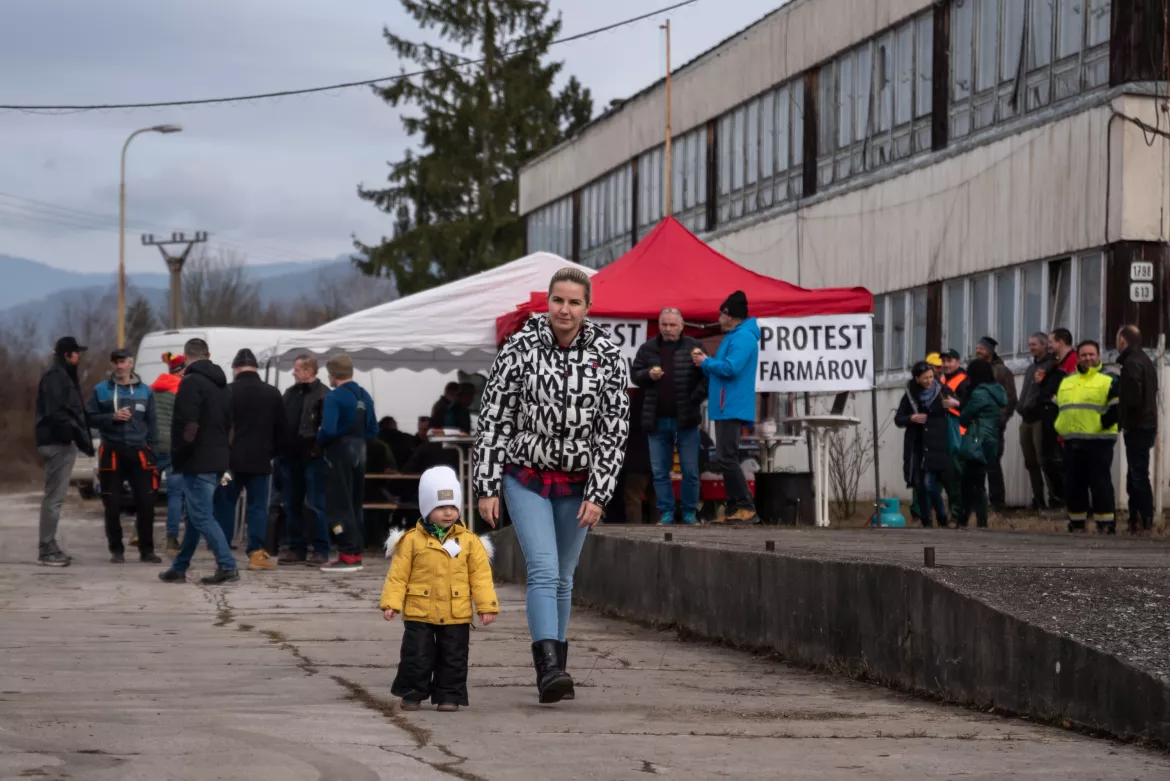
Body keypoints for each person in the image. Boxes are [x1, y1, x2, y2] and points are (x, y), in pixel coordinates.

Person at [474, 267, 629, 705]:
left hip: (580, 483)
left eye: (574, 302)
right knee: (542, 569)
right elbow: (493, 420)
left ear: (588, 306)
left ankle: (556, 669)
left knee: (564, 576)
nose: (565, 309)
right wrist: (487, 485)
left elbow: (613, 431)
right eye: (558, 300)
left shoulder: (607, 353)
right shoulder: (518, 348)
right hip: (525, 475)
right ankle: (548, 670)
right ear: (548, 302)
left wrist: (599, 494)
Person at [381, 466, 499, 712]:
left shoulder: (469, 542)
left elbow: (480, 577)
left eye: (453, 507)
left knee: (453, 656)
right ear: (426, 509)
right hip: (418, 609)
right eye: (441, 507)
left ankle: (449, 694)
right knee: (417, 654)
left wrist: (486, 605)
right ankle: (413, 692)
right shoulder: (411, 540)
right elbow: (398, 575)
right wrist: (392, 602)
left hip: (456, 611)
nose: (448, 513)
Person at [159, 339, 239, 584]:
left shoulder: (190, 383)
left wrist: (179, 455)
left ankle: (227, 565)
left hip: (197, 460)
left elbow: (188, 425)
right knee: (195, 516)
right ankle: (180, 566)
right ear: (209, 355)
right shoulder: (224, 387)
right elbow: (231, 426)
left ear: (185, 357)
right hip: (218, 460)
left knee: (202, 516)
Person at [631, 307, 708, 524]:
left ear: (682, 326)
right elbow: (635, 375)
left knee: (690, 470)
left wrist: (694, 398)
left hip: (686, 419)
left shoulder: (695, 347)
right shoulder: (648, 349)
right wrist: (648, 374)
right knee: (660, 471)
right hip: (656, 420)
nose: (668, 329)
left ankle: (689, 512)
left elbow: (708, 376)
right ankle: (666, 512)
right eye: (664, 324)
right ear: (659, 325)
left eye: (673, 325)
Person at [214, 349, 288, 571]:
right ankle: (256, 553)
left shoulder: (225, 391)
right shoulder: (273, 393)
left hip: (229, 465)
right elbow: (283, 432)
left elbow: (217, 428)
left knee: (225, 504)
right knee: (258, 507)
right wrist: (269, 452)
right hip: (260, 462)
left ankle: (223, 552)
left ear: (236, 369)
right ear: (256, 368)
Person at [87, 348, 159, 564]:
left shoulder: (145, 391)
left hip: (139, 453)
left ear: (131, 363)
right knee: (112, 503)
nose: (120, 366)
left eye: (123, 362)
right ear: (112, 365)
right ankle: (116, 550)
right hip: (112, 452)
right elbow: (89, 418)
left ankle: (147, 550)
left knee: (146, 503)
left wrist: (153, 451)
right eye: (116, 363)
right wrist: (111, 416)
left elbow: (152, 424)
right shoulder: (101, 390)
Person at [694, 291, 760, 524]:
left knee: (727, 457)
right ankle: (734, 508)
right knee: (725, 457)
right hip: (727, 404)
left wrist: (706, 362)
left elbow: (731, 368)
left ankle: (745, 505)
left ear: (729, 315)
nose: (718, 318)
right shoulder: (736, 336)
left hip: (730, 404)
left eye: (721, 313)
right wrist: (707, 362)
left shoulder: (742, 337)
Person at [34, 336, 94, 566]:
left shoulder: (61, 375)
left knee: (55, 497)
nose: (79, 356)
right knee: (54, 498)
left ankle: (49, 545)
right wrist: (73, 434)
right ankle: (47, 548)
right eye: (76, 353)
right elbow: (56, 412)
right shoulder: (56, 377)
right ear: (68, 354)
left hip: (60, 442)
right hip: (57, 443)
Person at [317, 354, 378, 573]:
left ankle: (347, 554)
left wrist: (318, 440)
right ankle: (356, 551)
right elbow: (373, 430)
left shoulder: (334, 397)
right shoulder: (364, 395)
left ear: (333, 375)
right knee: (354, 503)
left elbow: (329, 430)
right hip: (360, 452)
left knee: (338, 504)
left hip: (339, 454)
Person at [1054, 340, 1119, 534]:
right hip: (1072, 440)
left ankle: (1106, 524)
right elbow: (1059, 408)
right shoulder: (1067, 381)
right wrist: (1058, 427)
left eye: (1091, 354)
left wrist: (1102, 424)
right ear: (1078, 357)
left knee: (1100, 483)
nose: (1088, 358)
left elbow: (1117, 407)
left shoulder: (1109, 379)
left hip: (1099, 440)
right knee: (1074, 483)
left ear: (1099, 356)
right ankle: (1077, 523)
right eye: (1084, 355)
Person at [277, 354, 331, 566]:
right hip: (290, 457)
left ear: (309, 371)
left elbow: (328, 427)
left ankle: (321, 549)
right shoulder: (289, 394)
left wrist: (316, 448)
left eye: (297, 369)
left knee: (316, 504)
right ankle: (296, 548)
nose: (293, 372)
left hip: (313, 458)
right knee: (291, 504)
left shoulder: (323, 394)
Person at [895, 362, 958, 528]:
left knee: (930, 483)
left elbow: (961, 406)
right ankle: (926, 520)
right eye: (925, 378)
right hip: (918, 446)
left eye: (931, 377)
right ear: (917, 379)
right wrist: (911, 418)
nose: (929, 381)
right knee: (921, 485)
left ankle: (942, 517)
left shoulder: (942, 391)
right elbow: (898, 419)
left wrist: (954, 404)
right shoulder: (910, 396)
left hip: (937, 444)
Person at [956, 359, 1007, 529]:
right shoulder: (997, 391)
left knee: (968, 483)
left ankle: (965, 520)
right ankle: (981, 521)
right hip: (991, 439)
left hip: (977, 439)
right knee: (979, 481)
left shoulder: (979, 393)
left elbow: (964, 417)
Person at [1116, 325, 1157, 534]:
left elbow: (1133, 398)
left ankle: (1142, 518)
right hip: (1146, 424)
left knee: (1138, 473)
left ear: (1123, 340)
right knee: (1137, 473)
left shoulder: (1132, 364)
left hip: (1138, 425)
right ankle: (1138, 518)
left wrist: (1122, 418)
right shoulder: (1146, 361)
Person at [974, 337, 1017, 512]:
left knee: (992, 464)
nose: (977, 351)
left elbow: (1010, 399)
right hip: (975, 424)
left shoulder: (1002, 372)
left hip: (993, 426)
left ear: (990, 351)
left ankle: (997, 504)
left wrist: (1000, 420)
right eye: (977, 348)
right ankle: (978, 502)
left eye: (981, 348)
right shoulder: (975, 369)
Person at [1017, 333, 1059, 511]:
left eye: (1034, 344)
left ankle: (1054, 498)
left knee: (1044, 459)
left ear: (1044, 345)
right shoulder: (1030, 368)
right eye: (1029, 344)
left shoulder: (1050, 366)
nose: (1031, 347)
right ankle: (1038, 499)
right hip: (1026, 418)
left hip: (1040, 418)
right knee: (1030, 461)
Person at [151, 352, 186, 552]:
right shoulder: (181, 390)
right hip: (174, 448)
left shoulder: (153, 389)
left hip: (154, 446)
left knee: (148, 491)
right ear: (181, 370)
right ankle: (171, 539)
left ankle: (139, 533)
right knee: (175, 494)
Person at [621, 390, 659, 524]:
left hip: (637, 459)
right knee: (656, 498)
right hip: (657, 458)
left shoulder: (633, 403)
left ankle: (635, 530)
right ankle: (659, 529)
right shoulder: (657, 398)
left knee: (633, 497)